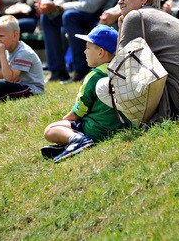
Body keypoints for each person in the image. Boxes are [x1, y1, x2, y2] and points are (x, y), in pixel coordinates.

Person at [43, 25, 130, 162]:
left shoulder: (94, 76)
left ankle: (78, 140)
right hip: (119, 127)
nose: (84, 52)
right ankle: (69, 144)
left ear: (101, 52)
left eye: (88, 48)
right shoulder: (122, 72)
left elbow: (79, 111)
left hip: (96, 130)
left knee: (50, 130)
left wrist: (64, 120)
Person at [0, 16, 45, 105]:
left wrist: (1, 54)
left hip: (31, 90)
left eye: (1, 36)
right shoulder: (8, 50)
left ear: (15, 36)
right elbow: (5, 74)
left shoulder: (23, 52)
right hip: (17, 86)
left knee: (0, 85)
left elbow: (10, 78)